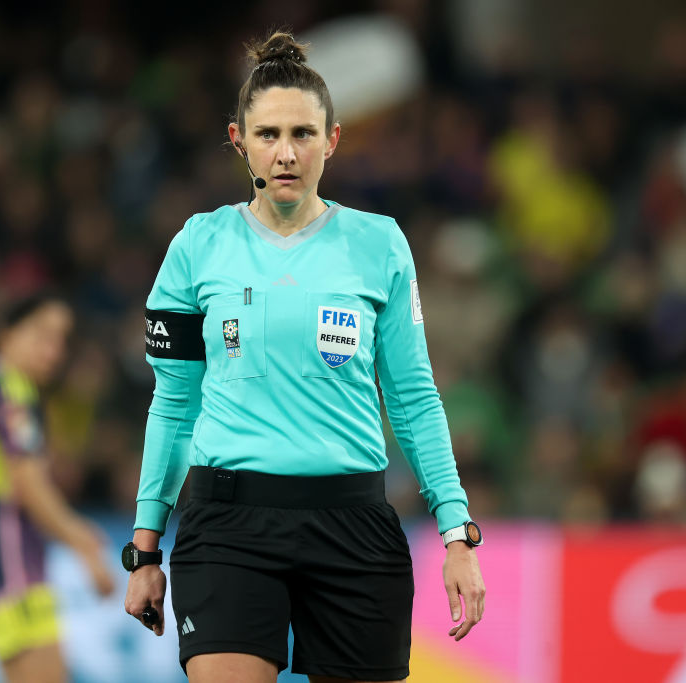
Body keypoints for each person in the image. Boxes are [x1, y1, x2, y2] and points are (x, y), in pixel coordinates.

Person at [123, 31, 485, 683]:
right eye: (267, 134)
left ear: (333, 139)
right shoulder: (196, 246)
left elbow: (412, 395)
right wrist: (145, 545)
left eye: (303, 133)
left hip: (353, 526)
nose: (286, 152)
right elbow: (174, 405)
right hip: (227, 524)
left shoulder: (381, 245)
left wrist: (456, 529)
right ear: (238, 139)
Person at [0, 291, 115, 683]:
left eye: (61, 339)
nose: (54, 350)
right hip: (9, 561)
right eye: (42, 335)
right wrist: (84, 542)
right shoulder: (6, 389)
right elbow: (26, 483)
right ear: (6, 334)